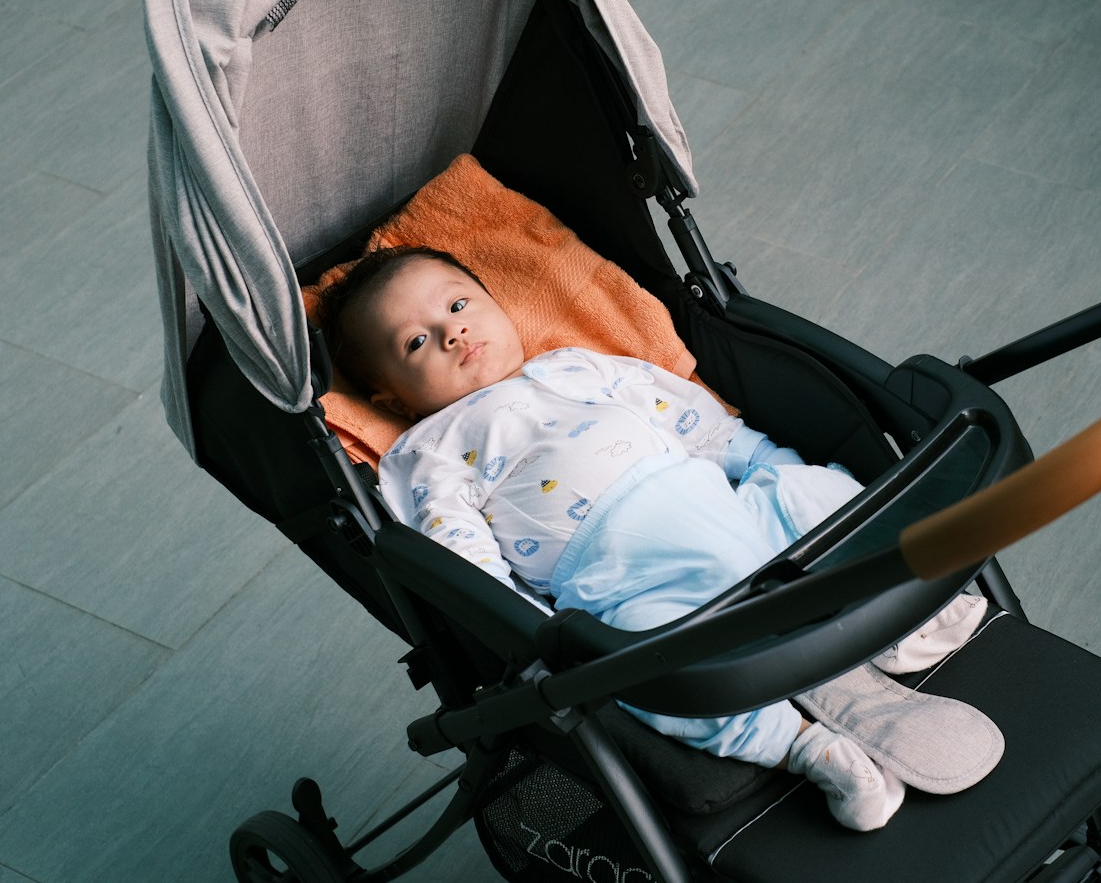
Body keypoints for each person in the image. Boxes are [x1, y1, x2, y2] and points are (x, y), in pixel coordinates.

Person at [320, 245, 989, 830]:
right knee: (652, 673)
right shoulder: (430, 448)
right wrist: (537, 630)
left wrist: (762, 461)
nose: (452, 330)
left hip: (729, 510)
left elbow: (688, 415)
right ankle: (803, 746)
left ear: (497, 302)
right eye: (416, 341)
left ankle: (903, 621)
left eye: (460, 302)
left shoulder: (573, 367)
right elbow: (461, 554)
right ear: (391, 401)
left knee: (815, 489)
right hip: (630, 582)